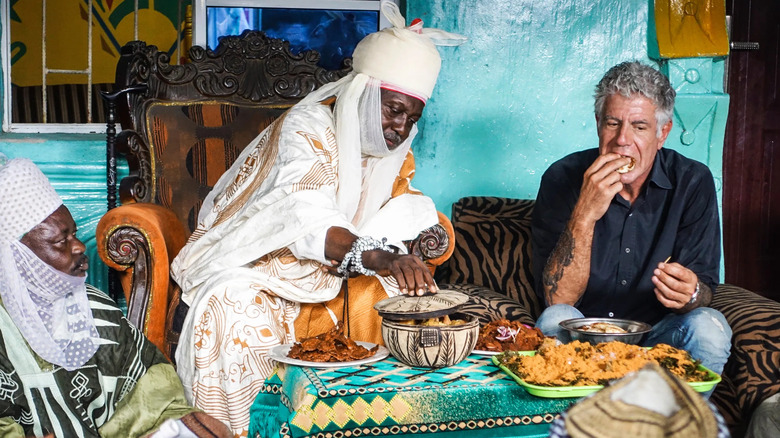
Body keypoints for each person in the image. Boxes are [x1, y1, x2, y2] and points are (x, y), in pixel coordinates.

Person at [169, 1, 465, 434]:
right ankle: (247, 429)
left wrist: (394, 249)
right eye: (393, 110)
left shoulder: (396, 151)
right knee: (231, 305)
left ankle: (378, 424)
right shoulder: (308, 126)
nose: (400, 129)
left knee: (408, 304)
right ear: (362, 92)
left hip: (346, 264)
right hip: (262, 262)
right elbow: (300, 215)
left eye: (411, 118)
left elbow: (404, 202)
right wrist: (381, 256)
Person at [531, 61, 732, 383]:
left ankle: (680, 429)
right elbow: (559, 299)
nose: (622, 140)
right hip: (585, 333)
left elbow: (704, 291)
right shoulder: (563, 177)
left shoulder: (693, 181)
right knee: (556, 318)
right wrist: (585, 212)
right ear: (598, 123)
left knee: (708, 325)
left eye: (639, 126)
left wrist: (691, 295)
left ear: (662, 132)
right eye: (613, 123)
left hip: (660, 335)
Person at [0, 158, 231, 438]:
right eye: (61, 240)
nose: (78, 247)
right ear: (14, 256)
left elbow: (157, 401)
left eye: (74, 233)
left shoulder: (97, 310)